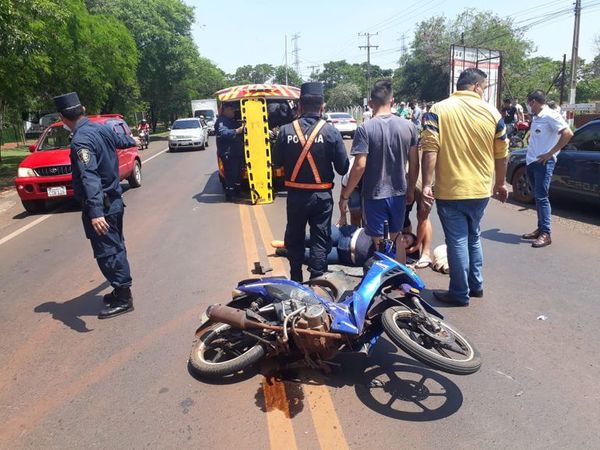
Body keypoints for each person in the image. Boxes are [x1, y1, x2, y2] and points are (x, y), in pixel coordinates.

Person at [420, 68, 509, 306]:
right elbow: (502, 152)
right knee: (473, 235)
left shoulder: (438, 110)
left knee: (458, 239)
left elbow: (430, 148)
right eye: (484, 87)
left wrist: (426, 184)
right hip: (481, 189)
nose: (484, 92)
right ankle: (476, 285)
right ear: (476, 86)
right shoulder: (492, 113)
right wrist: (500, 183)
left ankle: (459, 292)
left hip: (451, 189)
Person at [53, 92, 137, 319]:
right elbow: (123, 141)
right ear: (82, 109)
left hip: (104, 207)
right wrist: (134, 139)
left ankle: (123, 297)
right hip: (115, 202)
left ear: (62, 118)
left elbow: (89, 177)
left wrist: (96, 212)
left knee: (108, 251)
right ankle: (120, 289)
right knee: (116, 245)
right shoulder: (101, 128)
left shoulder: (81, 140)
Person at [340, 79, 419, 265]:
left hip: (374, 195)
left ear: (370, 103)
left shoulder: (365, 128)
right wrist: (411, 189)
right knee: (397, 237)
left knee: (379, 243)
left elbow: (359, 165)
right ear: (392, 101)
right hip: (399, 192)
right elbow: (414, 163)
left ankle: (381, 280)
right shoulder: (409, 127)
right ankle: (398, 278)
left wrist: (346, 194)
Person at [276, 82, 349, 282]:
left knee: (295, 236)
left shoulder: (285, 131)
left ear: (299, 106)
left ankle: (296, 278)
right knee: (320, 238)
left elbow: (276, 162)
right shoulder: (331, 132)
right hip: (322, 197)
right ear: (322, 106)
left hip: (296, 197)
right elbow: (343, 168)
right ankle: (317, 280)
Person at [521, 90, 573, 248]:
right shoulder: (537, 117)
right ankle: (540, 228)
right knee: (537, 196)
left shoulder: (551, 115)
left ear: (533, 102)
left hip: (543, 164)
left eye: (528, 103)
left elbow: (568, 133)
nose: (528, 107)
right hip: (532, 162)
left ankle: (546, 233)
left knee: (542, 197)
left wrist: (550, 153)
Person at [272, 225, 420, 267]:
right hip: (346, 234)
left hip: (344, 256)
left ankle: (287, 251)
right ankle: (287, 241)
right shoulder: (388, 233)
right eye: (406, 237)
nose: (404, 240)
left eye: (407, 243)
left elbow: (400, 267)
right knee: (315, 238)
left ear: (406, 249)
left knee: (313, 256)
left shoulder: (393, 257)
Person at [215, 103, 245, 202]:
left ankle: (237, 192)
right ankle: (230, 195)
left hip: (236, 152)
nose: (234, 111)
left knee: (239, 174)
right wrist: (237, 131)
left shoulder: (231, 121)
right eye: (232, 109)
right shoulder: (221, 121)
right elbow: (223, 133)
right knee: (231, 175)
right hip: (228, 153)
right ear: (225, 110)